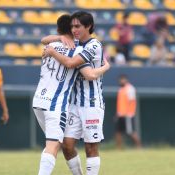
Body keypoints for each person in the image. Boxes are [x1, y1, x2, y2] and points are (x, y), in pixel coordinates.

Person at [44, 11, 107, 175]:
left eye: (77, 26)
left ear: (89, 26)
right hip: (73, 103)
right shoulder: (76, 43)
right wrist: (60, 38)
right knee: (66, 144)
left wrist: (52, 52)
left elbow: (75, 65)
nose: (73, 29)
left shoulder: (94, 45)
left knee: (90, 146)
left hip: (92, 102)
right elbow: (44, 40)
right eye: (72, 26)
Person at [115, 74, 141, 149]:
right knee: (118, 132)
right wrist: (118, 113)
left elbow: (132, 102)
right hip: (120, 115)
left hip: (128, 115)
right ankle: (118, 149)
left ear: (126, 80)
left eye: (123, 79)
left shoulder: (130, 88)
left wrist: (129, 113)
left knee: (131, 132)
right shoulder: (120, 89)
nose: (121, 81)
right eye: (120, 79)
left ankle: (139, 147)